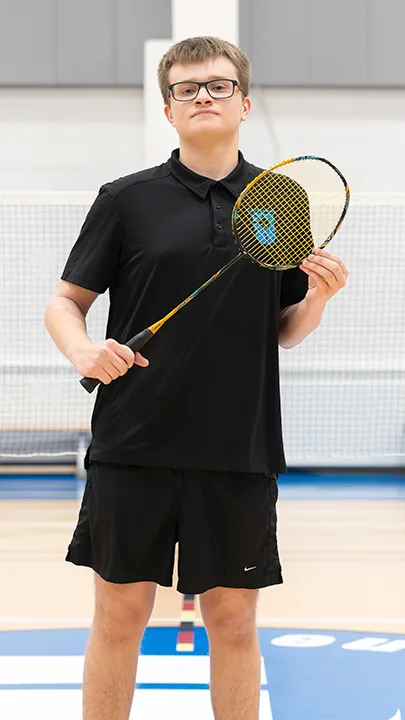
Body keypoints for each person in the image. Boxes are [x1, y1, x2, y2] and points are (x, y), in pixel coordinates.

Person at [44, 35, 348, 720]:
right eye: (187, 89)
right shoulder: (127, 200)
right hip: (134, 444)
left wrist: (317, 300)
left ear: (243, 102)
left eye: (216, 85)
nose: (202, 96)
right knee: (120, 618)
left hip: (236, 448)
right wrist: (84, 352)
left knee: (234, 624)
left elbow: (282, 330)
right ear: (168, 109)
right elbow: (65, 303)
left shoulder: (278, 203)